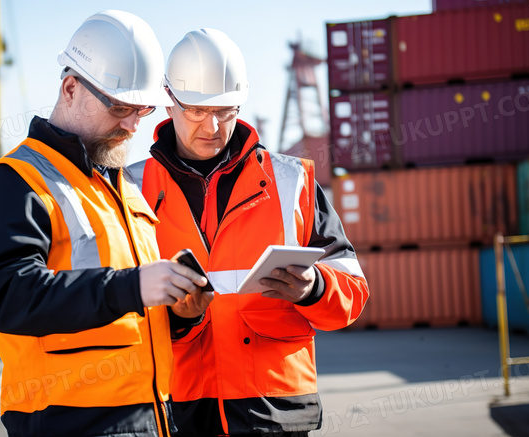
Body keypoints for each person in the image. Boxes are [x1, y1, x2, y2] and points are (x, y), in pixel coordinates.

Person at [0, 11, 213, 437]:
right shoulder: (14, 181)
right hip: (66, 422)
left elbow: (128, 317)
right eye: (120, 107)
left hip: (151, 419)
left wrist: (180, 313)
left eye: (142, 109)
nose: (133, 125)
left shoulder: (121, 188)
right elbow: (7, 297)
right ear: (70, 88)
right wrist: (132, 286)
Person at [130, 28, 370, 437]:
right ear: (169, 100)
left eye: (226, 110)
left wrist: (313, 289)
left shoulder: (291, 180)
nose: (213, 126)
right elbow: (113, 306)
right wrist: (178, 318)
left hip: (274, 411)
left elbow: (353, 291)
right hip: (178, 409)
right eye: (197, 111)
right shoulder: (131, 190)